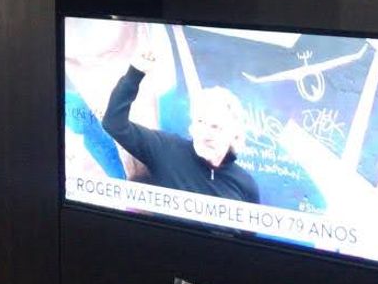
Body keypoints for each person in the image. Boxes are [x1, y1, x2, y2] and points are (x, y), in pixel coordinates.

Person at [101, 48, 260, 204]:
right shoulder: (166, 149)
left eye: (215, 127)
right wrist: (135, 73)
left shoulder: (245, 184)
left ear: (234, 136)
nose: (205, 134)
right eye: (200, 122)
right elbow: (114, 124)